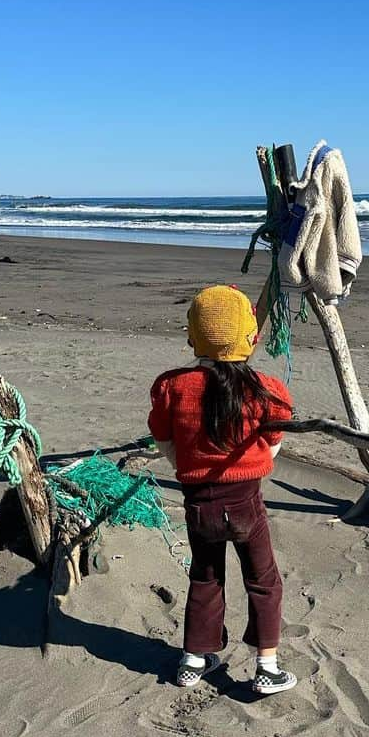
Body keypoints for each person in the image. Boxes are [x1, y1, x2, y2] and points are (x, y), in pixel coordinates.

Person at [148, 284, 297, 693]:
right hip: (246, 498)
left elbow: (163, 437)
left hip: (199, 501)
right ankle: (267, 664)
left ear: (192, 337)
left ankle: (194, 659)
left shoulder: (172, 387)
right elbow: (275, 440)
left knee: (205, 577)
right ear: (253, 337)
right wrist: (258, 465)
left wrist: (185, 465)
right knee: (263, 578)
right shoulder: (267, 390)